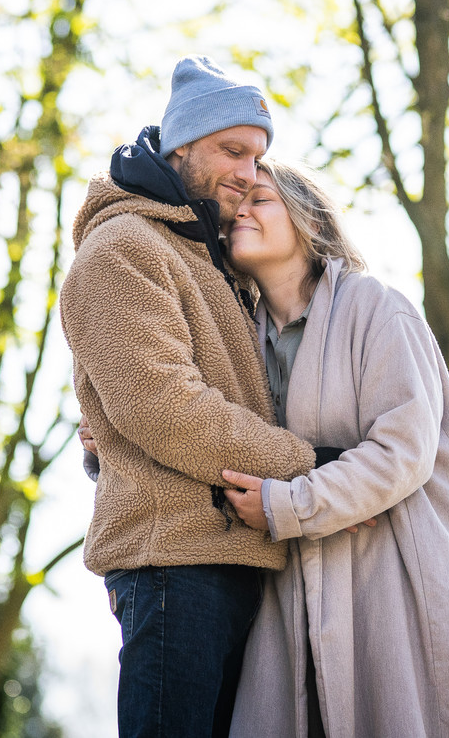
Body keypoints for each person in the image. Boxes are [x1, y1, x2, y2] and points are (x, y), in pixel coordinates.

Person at [59, 55, 319, 738]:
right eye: (232, 149)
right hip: (173, 563)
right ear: (180, 146)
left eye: (259, 156)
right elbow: (164, 411)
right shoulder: (124, 249)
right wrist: (310, 462)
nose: (249, 171)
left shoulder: (206, 256)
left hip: (235, 555)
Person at [219, 159, 449, 738]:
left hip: (396, 593)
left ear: (309, 222)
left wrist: (290, 505)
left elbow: (402, 452)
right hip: (289, 607)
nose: (240, 212)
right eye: (237, 203)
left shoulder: (379, 310)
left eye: (261, 199)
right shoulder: (240, 336)